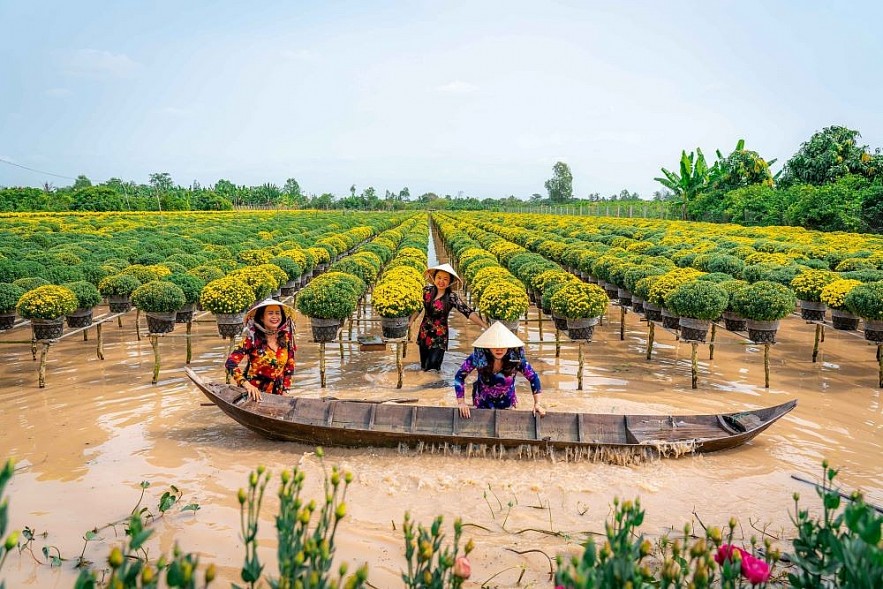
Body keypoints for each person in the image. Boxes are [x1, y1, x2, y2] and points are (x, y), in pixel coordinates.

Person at [453, 321, 545, 419]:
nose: (499, 349)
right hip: (482, 405)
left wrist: (537, 403)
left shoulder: (515, 359)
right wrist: (461, 402)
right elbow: (459, 377)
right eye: (495, 346)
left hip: (507, 404)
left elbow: (533, 378)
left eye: (502, 346)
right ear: (488, 346)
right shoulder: (478, 357)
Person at [413, 263, 487, 372]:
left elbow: (467, 311)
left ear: (449, 282)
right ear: (434, 278)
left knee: (432, 368)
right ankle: (426, 387)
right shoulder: (427, 291)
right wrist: (410, 322)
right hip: (424, 333)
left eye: (445, 279)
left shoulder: (451, 297)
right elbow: (418, 308)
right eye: (439, 278)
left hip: (439, 337)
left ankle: (435, 386)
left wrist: (484, 325)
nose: (441, 281)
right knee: (424, 366)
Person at [225, 298, 297, 402]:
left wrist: (285, 391)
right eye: (270, 313)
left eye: (278, 313)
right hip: (255, 395)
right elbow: (230, 363)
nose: (275, 317)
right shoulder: (252, 340)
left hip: (278, 395)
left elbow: (289, 367)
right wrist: (246, 385)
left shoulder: (286, 338)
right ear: (262, 318)